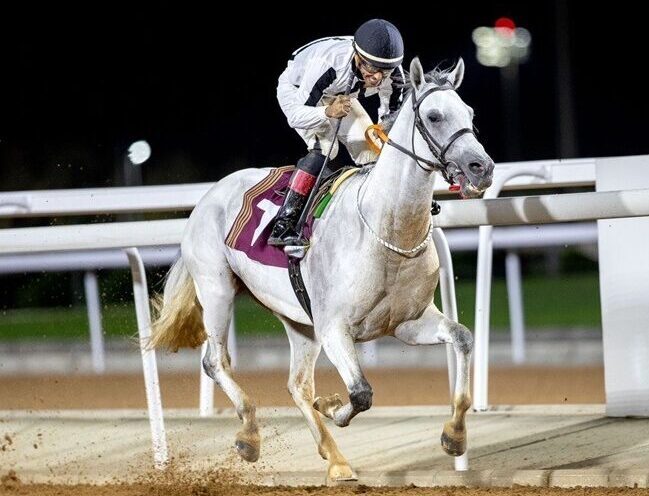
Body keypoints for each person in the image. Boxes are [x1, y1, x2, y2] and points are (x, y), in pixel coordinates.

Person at [268, 18, 405, 246]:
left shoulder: (391, 69)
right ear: (357, 56)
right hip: (299, 92)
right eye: (371, 68)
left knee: (372, 148)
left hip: (341, 92)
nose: (378, 77)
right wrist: (327, 112)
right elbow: (296, 116)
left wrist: (383, 133)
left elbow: (389, 111)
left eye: (385, 71)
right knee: (324, 148)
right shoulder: (329, 62)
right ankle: (284, 223)